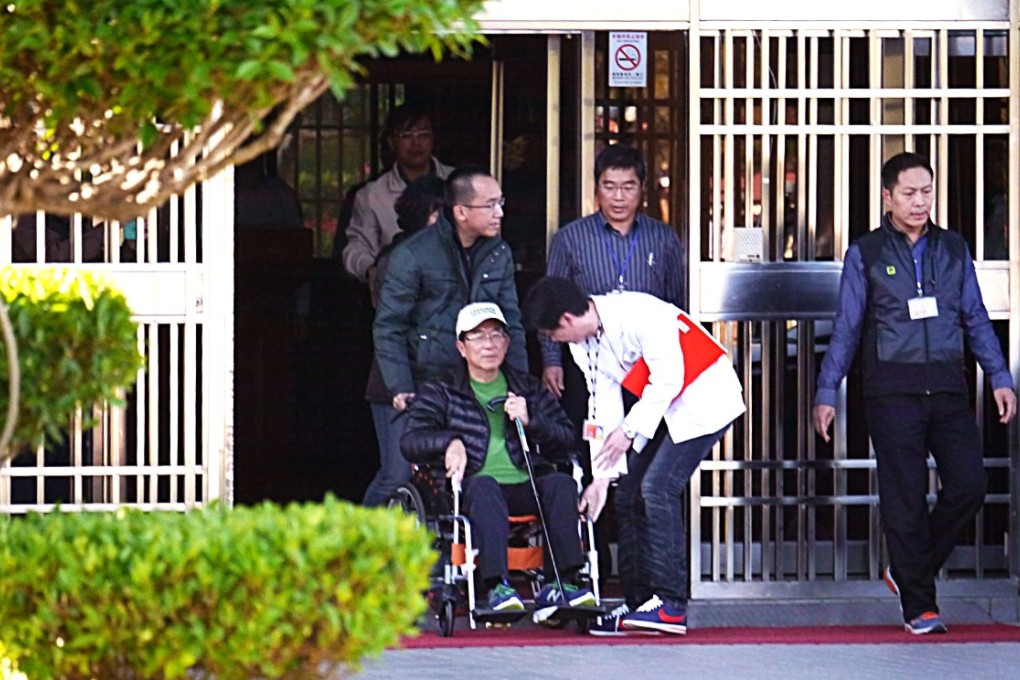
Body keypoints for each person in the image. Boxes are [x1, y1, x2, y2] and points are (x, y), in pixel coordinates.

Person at [812, 151, 1017, 635]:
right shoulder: (866, 253)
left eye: (927, 192)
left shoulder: (952, 248)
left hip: (947, 384)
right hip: (891, 390)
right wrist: (826, 389)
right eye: (909, 193)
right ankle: (919, 606)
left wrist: (1001, 377)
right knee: (903, 496)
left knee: (969, 485)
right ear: (888, 197)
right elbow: (847, 326)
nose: (920, 201)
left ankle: (907, 570)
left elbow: (975, 318)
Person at [523, 277, 746, 635]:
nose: (553, 342)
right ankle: (639, 602)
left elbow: (669, 378)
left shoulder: (639, 313)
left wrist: (628, 432)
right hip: (662, 408)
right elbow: (602, 404)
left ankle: (671, 604)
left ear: (565, 320)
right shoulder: (583, 343)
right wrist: (600, 479)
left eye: (551, 334)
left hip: (705, 395)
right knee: (625, 493)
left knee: (657, 489)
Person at [400, 302, 595, 612]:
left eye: (495, 335)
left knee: (560, 484)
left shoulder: (527, 386)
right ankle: (497, 586)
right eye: (477, 337)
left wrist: (532, 419)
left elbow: (567, 438)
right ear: (461, 347)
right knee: (485, 488)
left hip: (523, 482)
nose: (488, 344)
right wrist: (450, 442)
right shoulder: (441, 390)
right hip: (471, 486)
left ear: (507, 343)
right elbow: (411, 441)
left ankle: (564, 582)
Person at [374, 164, 527, 418]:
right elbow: (389, 325)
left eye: (500, 202)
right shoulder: (414, 253)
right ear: (460, 212)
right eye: (489, 205)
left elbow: (512, 322)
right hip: (426, 383)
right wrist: (400, 386)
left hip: (484, 382)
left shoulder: (499, 252)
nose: (499, 212)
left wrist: (521, 387)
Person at [541, 144, 686, 400]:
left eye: (628, 187)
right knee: (594, 434)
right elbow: (551, 304)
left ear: (642, 188)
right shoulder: (570, 238)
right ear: (596, 187)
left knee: (646, 432)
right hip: (589, 360)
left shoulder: (663, 238)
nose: (618, 197)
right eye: (609, 186)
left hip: (649, 361)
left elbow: (676, 303)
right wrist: (552, 360)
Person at [361, 175, 445, 507]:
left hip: (435, 380)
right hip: (394, 381)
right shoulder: (396, 259)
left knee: (426, 476)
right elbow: (395, 326)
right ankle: (355, 544)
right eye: (440, 213)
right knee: (396, 473)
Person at [341, 103, 454, 285]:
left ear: (433, 140)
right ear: (392, 142)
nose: (416, 143)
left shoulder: (456, 183)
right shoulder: (371, 195)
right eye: (406, 135)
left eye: (424, 134)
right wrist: (372, 271)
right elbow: (356, 247)